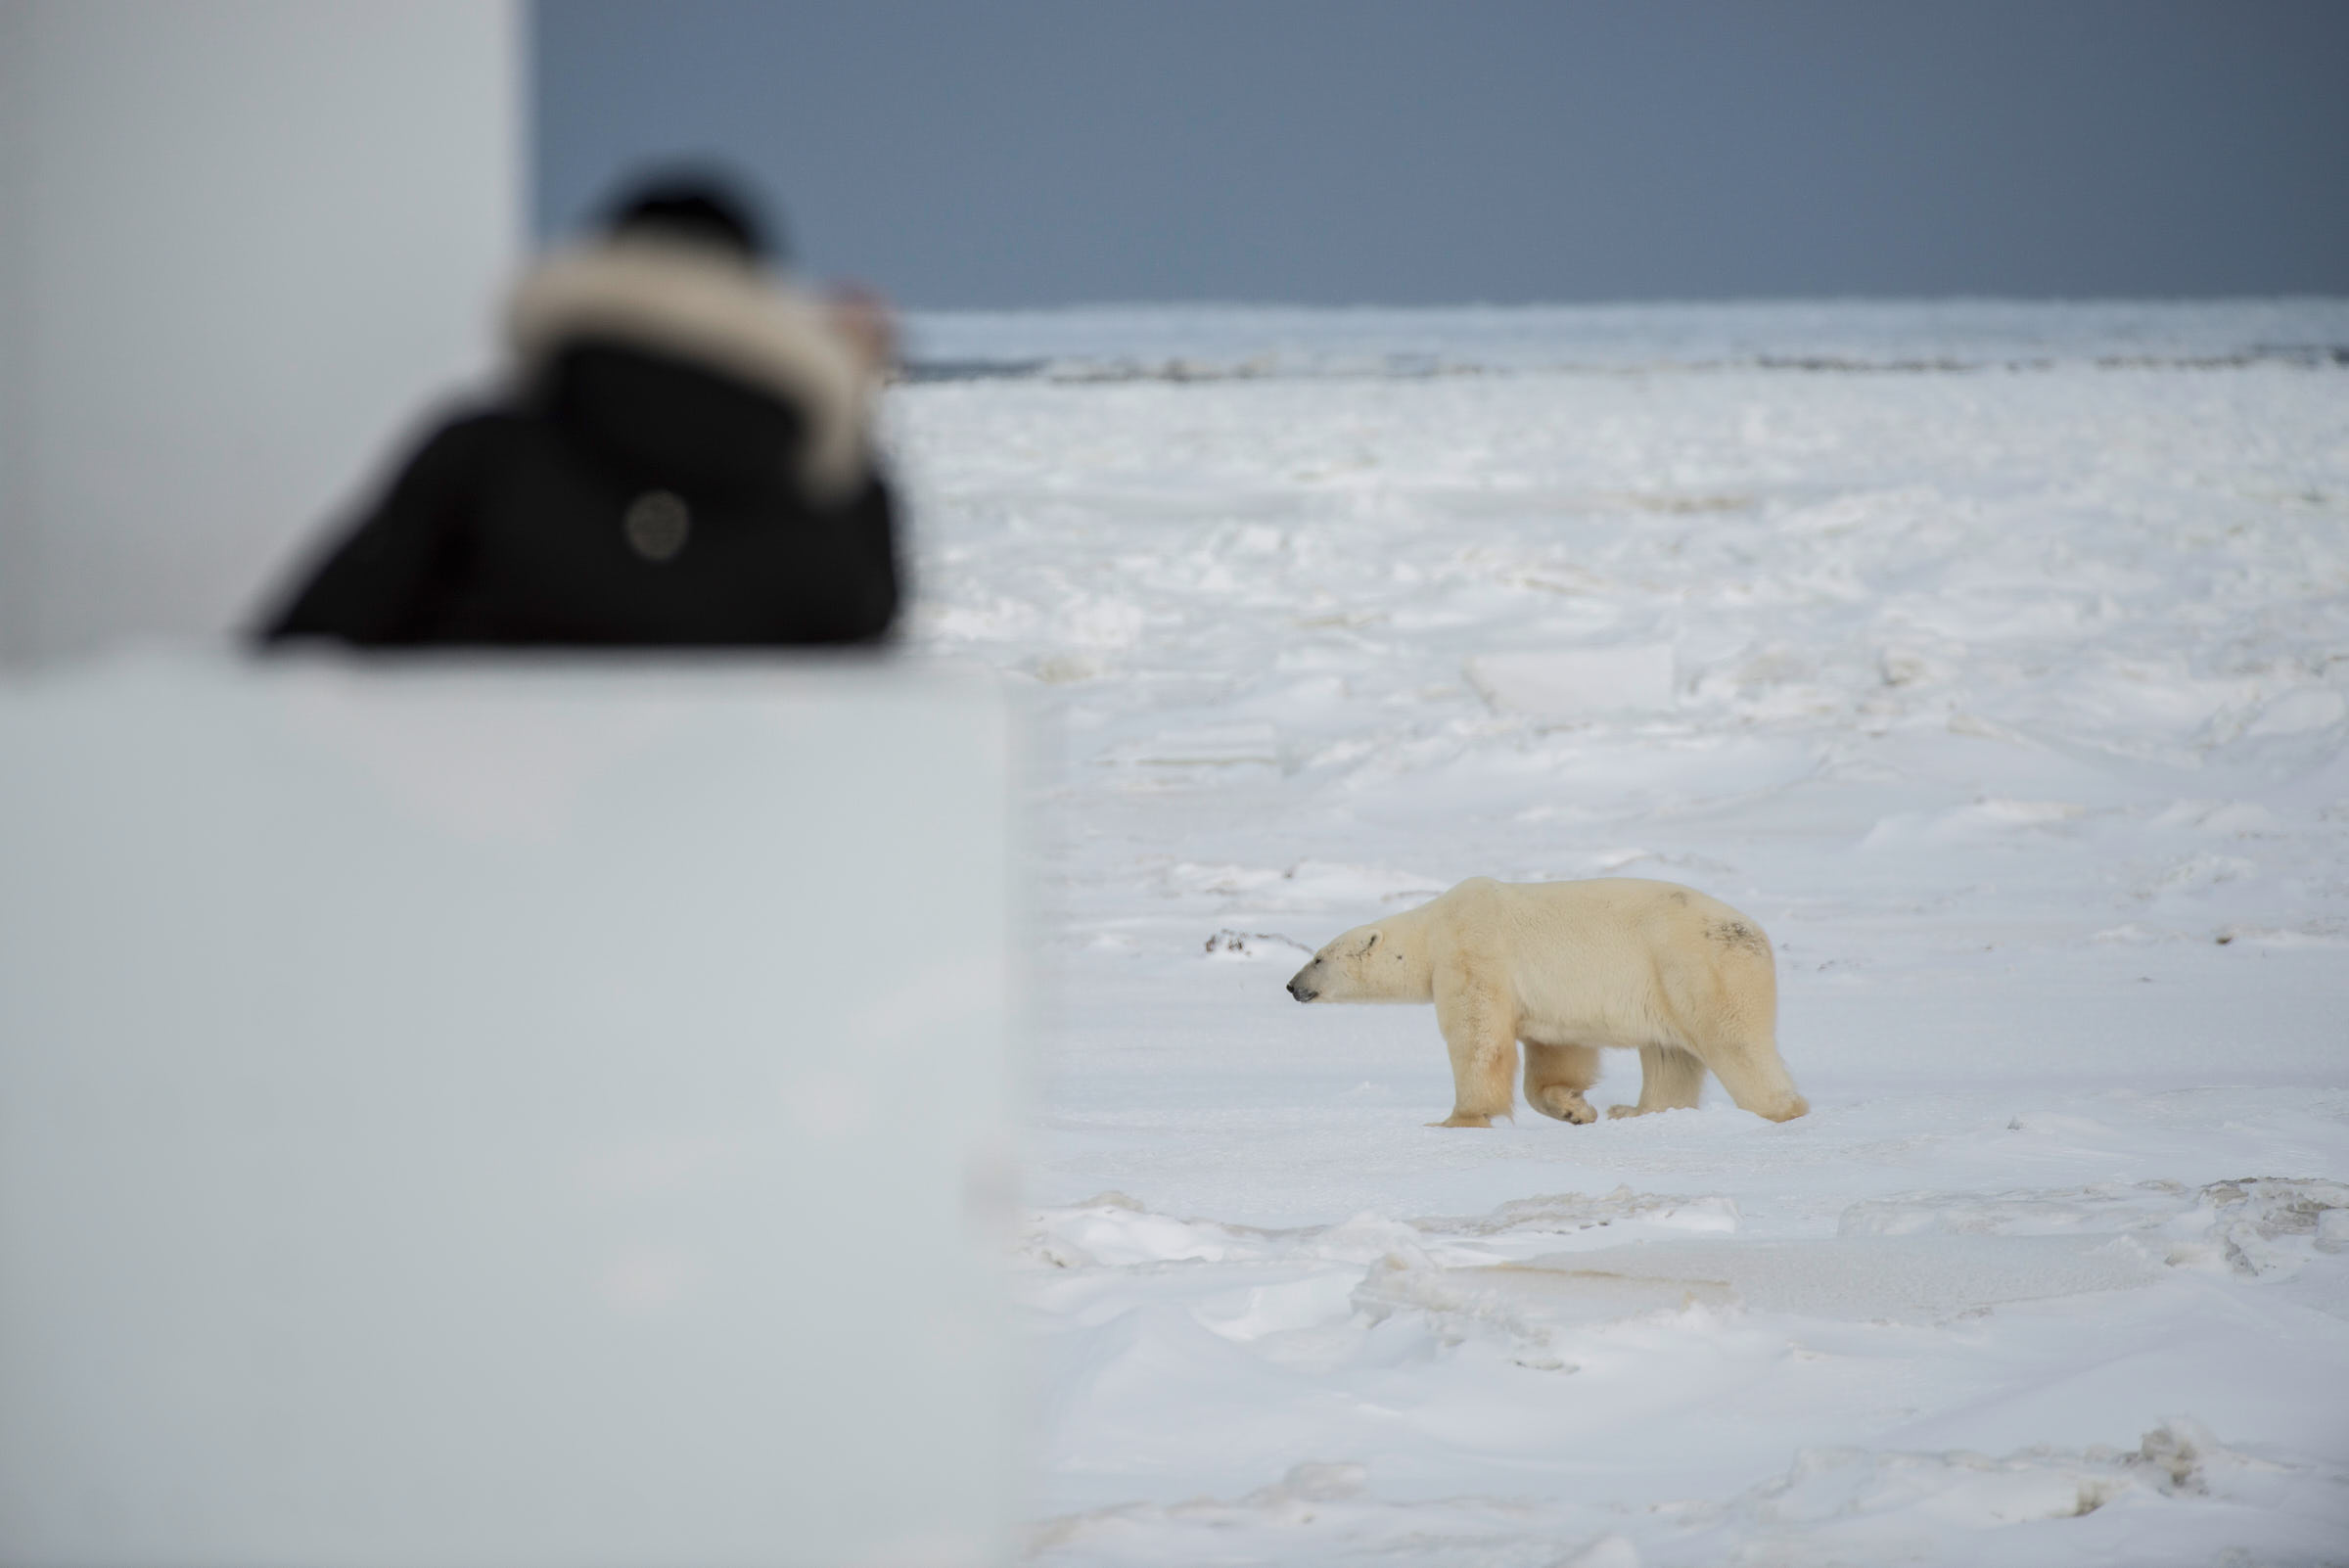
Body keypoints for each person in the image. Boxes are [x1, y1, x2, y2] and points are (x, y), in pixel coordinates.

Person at [256, 176, 898, 647]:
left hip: (465, 817)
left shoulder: (481, 460)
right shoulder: (832, 491)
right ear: (760, 304)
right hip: (737, 825)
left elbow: (303, 655)